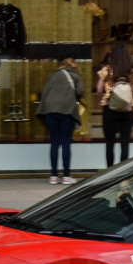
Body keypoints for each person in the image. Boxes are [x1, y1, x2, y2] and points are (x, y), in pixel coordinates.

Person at [37, 57, 83, 185]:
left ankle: (53, 176)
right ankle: (67, 176)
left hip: (51, 112)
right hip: (67, 111)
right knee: (66, 143)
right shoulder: (76, 75)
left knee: (54, 142)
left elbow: (45, 93)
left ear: (62, 66)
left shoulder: (53, 76)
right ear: (74, 66)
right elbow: (80, 91)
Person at [97, 43, 133, 166]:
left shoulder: (106, 70)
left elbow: (99, 89)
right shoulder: (131, 72)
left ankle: (109, 173)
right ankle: (123, 178)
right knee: (125, 143)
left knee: (110, 144)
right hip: (127, 111)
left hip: (110, 109)